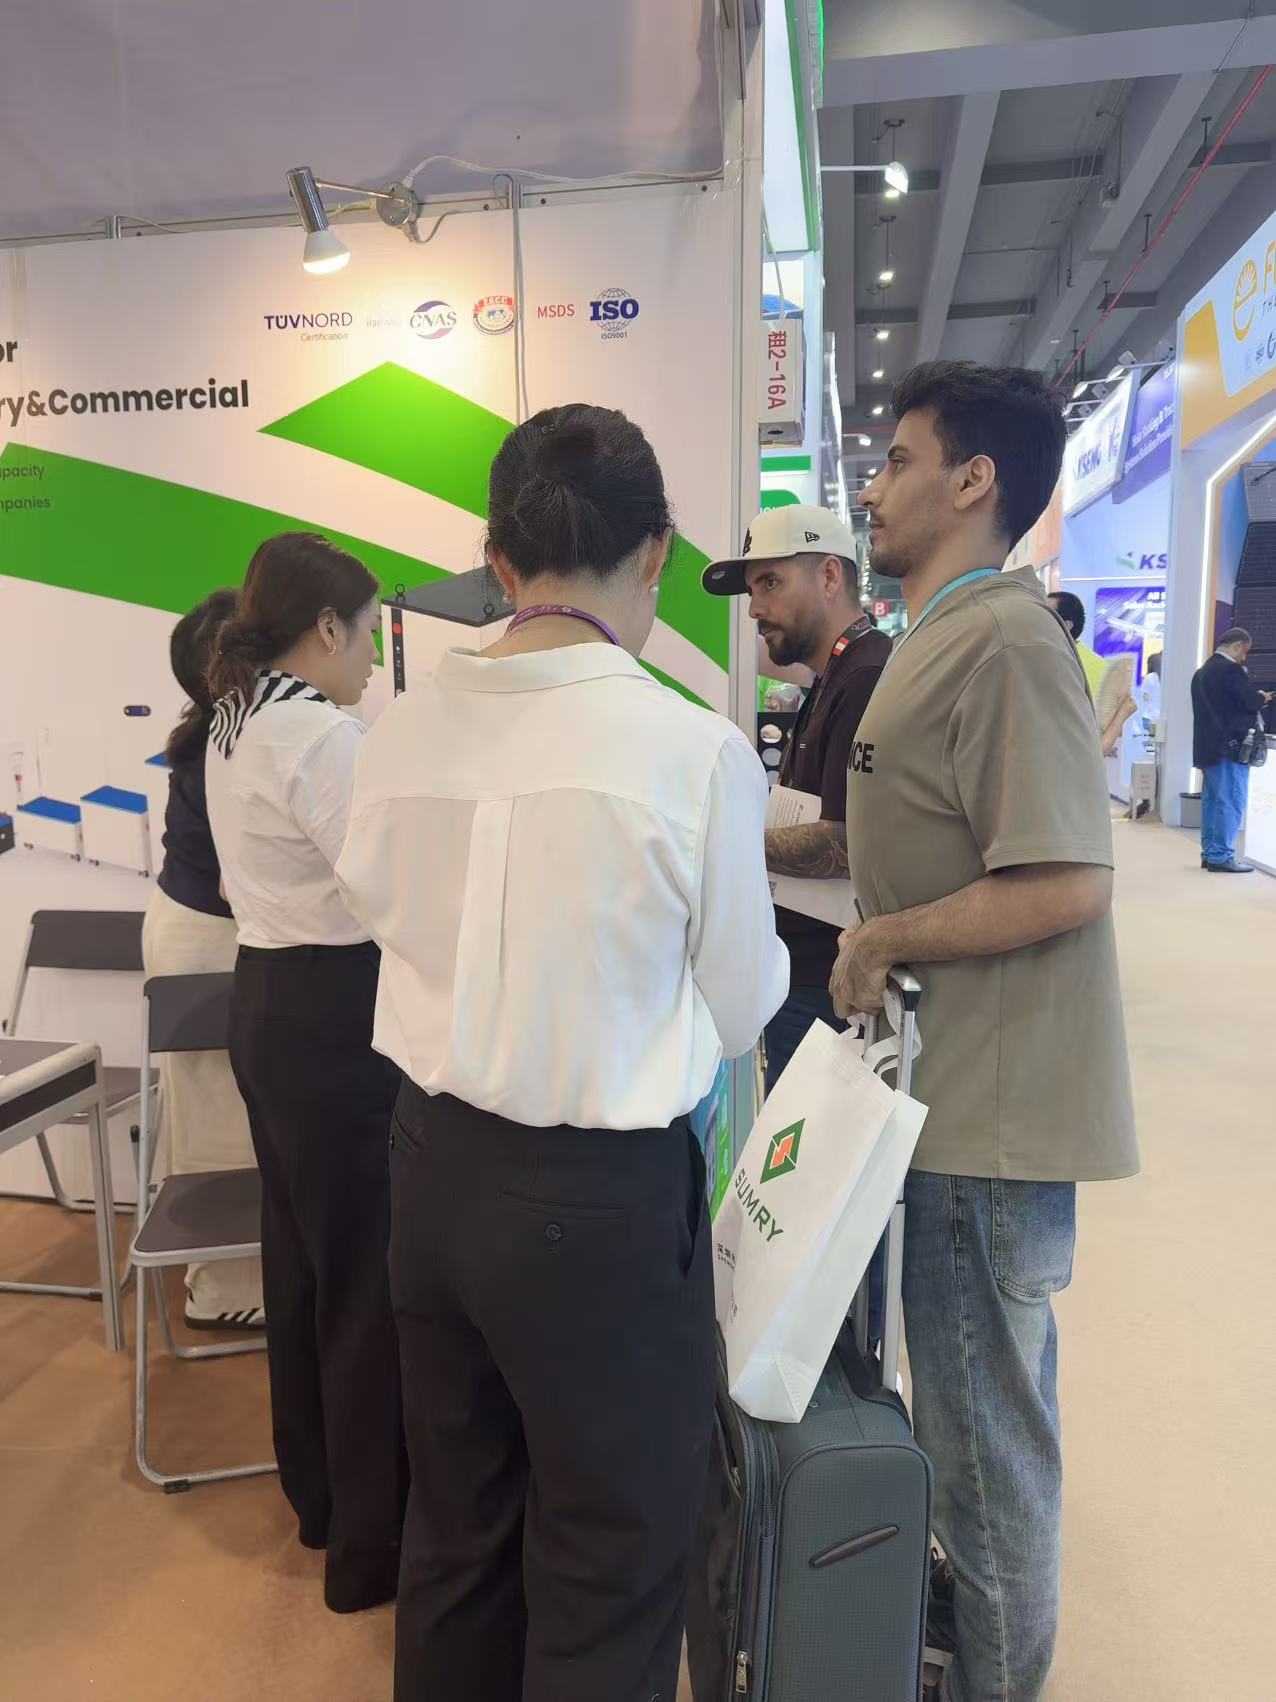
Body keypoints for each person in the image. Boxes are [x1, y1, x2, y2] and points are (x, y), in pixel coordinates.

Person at [336, 404, 787, 1702]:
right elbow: (744, 1003)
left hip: (428, 1171)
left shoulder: (397, 729)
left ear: (497, 554)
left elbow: (375, 907)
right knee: (610, 1555)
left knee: (458, 1532)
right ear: (655, 554)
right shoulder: (690, 748)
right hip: (599, 1204)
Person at [841, 361, 1139, 1702]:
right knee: (968, 1425)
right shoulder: (946, 633)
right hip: (947, 1100)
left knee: (986, 1447)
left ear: (974, 481)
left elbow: (1065, 878)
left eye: (899, 459)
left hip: (988, 1119)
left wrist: (883, 939)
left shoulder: (1007, 642)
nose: (875, 485)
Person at [204, 533, 407, 1614]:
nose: (372, 655)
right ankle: (372, 1548)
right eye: (368, 632)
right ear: (326, 627)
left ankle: (322, 1498)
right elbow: (383, 885)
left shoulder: (234, 716)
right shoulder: (318, 732)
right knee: (364, 1277)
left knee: (300, 1262)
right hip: (333, 1013)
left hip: (268, 1002)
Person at [703, 505, 890, 1089]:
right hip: (805, 974)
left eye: (770, 583)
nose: (754, 608)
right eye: (753, 589)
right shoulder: (833, 676)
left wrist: (720, 844)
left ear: (830, 575)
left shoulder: (865, 679)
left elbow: (853, 842)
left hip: (827, 985)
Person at [141, 589, 264, 1330]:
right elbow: (237, 879)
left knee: (211, 1105)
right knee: (218, 1111)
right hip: (204, 940)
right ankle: (223, 1290)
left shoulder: (215, 733)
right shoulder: (229, 744)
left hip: (193, 931)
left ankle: (216, 1274)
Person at [1191, 626, 1274, 873]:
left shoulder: (1201, 672)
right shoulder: (1231, 671)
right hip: (1230, 749)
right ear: (1237, 646)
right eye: (1244, 651)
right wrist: (1262, 698)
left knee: (1213, 802)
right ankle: (1221, 856)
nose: (1244, 658)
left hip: (1207, 748)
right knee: (1230, 802)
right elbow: (1247, 701)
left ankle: (1210, 853)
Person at [1048, 589, 1135, 756]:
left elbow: (1100, 740)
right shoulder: (1045, 662)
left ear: (1066, 626)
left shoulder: (1098, 669)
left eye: (1046, 615)